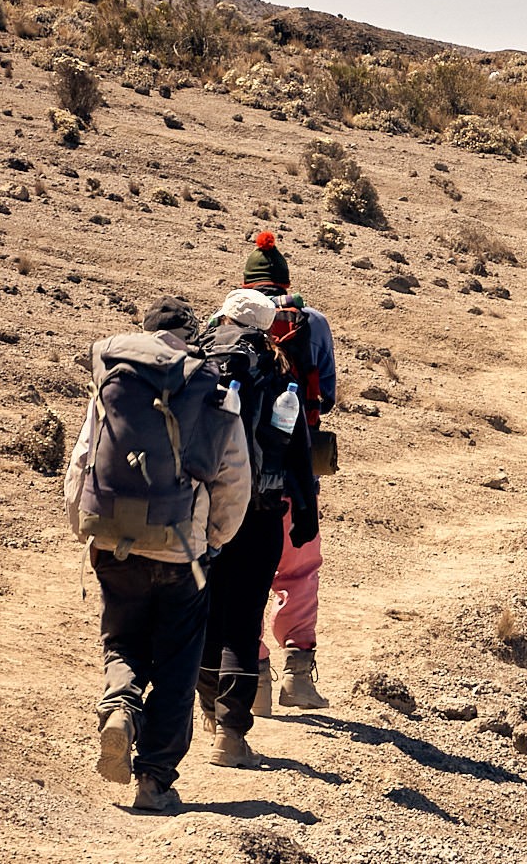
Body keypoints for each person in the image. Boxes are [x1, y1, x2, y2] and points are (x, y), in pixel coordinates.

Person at [68, 298, 250, 812]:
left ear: (145, 333)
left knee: (123, 640)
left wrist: (87, 529)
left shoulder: (116, 381)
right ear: (190, 335)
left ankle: (121, 706)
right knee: (176, 664)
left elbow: (84, 460)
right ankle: (154, 780)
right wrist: (213, 539)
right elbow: (233, 479)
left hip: (110, 540)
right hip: (180, 553)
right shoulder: (207, 386)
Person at [192, 289, 320, 767]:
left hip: (200, 512)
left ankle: (208, 707)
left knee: (205, 614)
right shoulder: (276, 370)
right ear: (267, 329)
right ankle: (230, 735)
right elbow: (297, 449)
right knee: (243, 624)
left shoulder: (196, 361)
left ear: (223, 316)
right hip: (261, 511)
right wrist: (304, 512)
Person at [241, 231, 335, 711]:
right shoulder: (312, 322)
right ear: (285, 281)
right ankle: (298, 676)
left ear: (246, 284)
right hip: (298, 473)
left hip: (238, 476)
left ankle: (254, 681)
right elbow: (329, 396)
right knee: (299, 568)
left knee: (245, 572)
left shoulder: (228, 321)